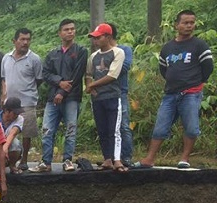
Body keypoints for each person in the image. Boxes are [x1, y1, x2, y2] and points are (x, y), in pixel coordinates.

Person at [135, 10, 213, 169]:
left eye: (192, 22)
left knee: (191, 127)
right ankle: (149, 159)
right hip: (170, 94)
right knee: (160, 127)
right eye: (185, 23)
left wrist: (198, 82)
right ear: (176, 25)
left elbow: (208, 67)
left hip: (191, 93)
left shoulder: (200, 45)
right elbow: (164, 69)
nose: (189, 26)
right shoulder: (167, 48)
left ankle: (184, 158)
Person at [31, 19, 87, 173]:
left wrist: (62, 92)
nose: (70, 32)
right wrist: (60, 82)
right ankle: (45, 161)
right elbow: (46, 74)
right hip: (52, 98)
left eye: (72, 29)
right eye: (66, 29)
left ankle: (67, 159)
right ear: (60, 33)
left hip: (72, 97)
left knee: (71, 128)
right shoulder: (52, 53)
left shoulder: (81, 51)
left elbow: (77, 75)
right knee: (47, 129)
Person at [85, 23, 127, 172]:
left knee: (114, 129)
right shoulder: (93, 56)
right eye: (94, 38)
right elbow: (88, 74)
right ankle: (107, 158)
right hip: (97, 98)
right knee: (102, 129)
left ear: (108, 37)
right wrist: (90, 87)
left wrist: (92, 85)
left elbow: (112, 75)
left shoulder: (118, 52)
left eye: (98, 37)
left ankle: (117, 159)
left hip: (112, 96)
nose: (95, 41)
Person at [1, 28, 42, 170]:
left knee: (27, 132)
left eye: (28, 39)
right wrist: (4, 95)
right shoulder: (6, 58)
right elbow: (4, 79)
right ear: (14, 41)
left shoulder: (34, 59)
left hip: (27, 102)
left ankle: (24, 160)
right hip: (10, 102)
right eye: (22, 39)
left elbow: (38, 80)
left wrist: (29, 92)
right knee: (7, 130)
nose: (25, 42)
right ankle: (7, 158)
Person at [111, 23, 134, 167]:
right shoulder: (99, 52)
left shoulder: (125, 49)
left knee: (123, 126)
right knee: (109, 128)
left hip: (120, 92)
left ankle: (126, 157)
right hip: (104, 94)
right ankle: (111, 157)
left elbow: (124, 67)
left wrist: (108, 68)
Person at [0, 97, 25, 174]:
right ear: (6, 111)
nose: (17, 115)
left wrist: (5, 148)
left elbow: (13, 133)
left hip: (8, 144)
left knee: (16, 144)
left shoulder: (20, 119)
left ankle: (12, 165)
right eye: (14, 113)